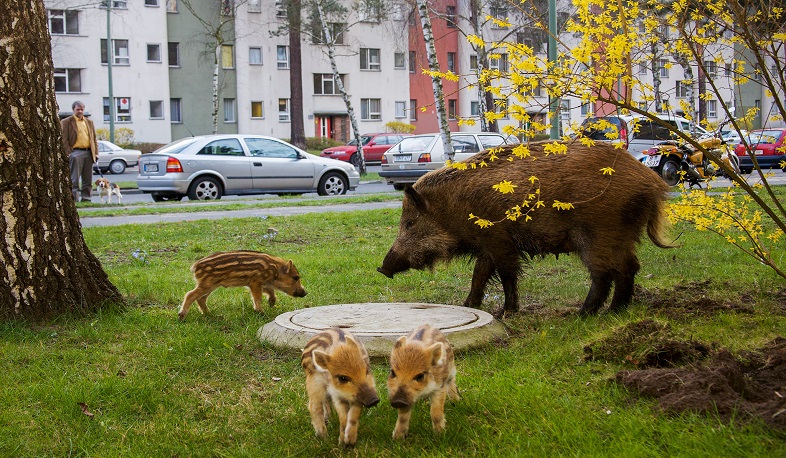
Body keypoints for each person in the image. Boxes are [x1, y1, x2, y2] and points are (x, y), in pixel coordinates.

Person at [61, 101, 98, 202]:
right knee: (75, 178)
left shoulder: (89, 122)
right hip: (75, 153)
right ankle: (74, 199)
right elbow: (64, 139)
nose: (80, 111)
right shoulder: (66, 122)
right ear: (73, 110)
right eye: (78, 109)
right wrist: (69, 153)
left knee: (88, 178)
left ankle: (86, 198)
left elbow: (94, 139)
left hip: (88, 152)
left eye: (82, 109)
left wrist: (96, 153)